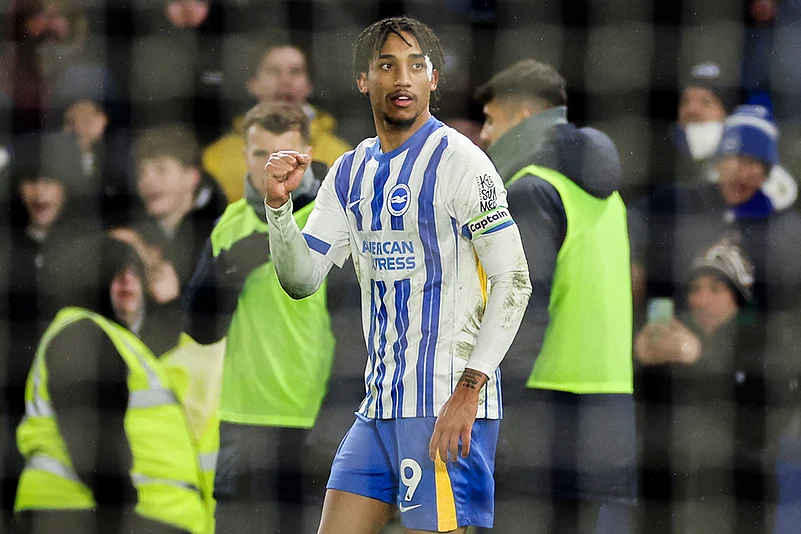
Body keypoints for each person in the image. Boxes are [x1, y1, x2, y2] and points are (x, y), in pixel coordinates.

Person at [262, 16, 531, 534]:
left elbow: (514, 280)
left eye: (415, 66)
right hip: (379, 407)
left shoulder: (462, 164)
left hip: (445, 404)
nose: (402, 79)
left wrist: (468, 392)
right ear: (364, 80)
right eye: (387, 65)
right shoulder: (349, 172)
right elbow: (301, 279)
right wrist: (279, 208)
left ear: (434, 79)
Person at [473, 58, 636, 533]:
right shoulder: (609, 196)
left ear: (523, 118)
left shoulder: (531, 191)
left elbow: (521, 311)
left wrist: (481, 409)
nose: (483, 135)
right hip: (606, 421)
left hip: (539, 424)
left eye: (491, 119)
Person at [630, 105, 801, 533]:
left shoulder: (782, 231)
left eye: (756, 164)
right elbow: (627, 237)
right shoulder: (678, 205)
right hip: (667, 397)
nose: (742, 172)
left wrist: (706, 348)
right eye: (735, 158)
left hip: (741, 402)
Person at [183, 101, 335, 533]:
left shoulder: (331, 220)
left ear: (306, 152)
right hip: (241, 423)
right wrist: (229, 269)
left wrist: (335, 420)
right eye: (257, 155)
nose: (270, 167)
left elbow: (355, 329)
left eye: (282, 156)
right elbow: (199, 330)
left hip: (312, 424)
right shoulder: (229, 222)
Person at [13, 237, 210, 534]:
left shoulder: (123, 344)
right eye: (113, 271)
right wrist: (122, 515)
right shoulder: (84, 331)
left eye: (134, 271)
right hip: (84, 514)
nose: (127, 279)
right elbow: (92, 438)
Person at [634, 237, 792, 534]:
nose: (700, 299)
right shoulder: (674, 339)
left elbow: (760, 428)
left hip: (738, 509)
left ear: (739, 297)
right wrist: (639, 360)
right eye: (695, 288)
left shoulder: (767, 347)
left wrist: (699, 358)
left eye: (716, 289)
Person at [202, 43, 351, 202]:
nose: (285, 80)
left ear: (309, 85)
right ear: (252, 83)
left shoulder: (341, 157)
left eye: (295, 71)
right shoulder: (215, 158)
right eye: (273, 71)